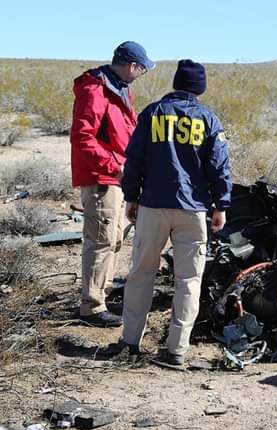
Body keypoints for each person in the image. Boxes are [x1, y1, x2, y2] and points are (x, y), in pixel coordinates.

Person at [120, 59, 232, 365]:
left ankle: (130, 342)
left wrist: (131, 197)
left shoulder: (153, 113)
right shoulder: (208, 119)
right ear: (199, 88)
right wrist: (221, 205)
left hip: (152, 206)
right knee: (189, 281)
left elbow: (134, 160)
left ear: (175, 83)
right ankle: (177, 350)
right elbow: (219, 167)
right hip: (192, 210)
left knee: (141, 273)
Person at [70, 41, 155, 327]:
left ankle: (101, 295)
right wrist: (115, 167)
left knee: (114, 239)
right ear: (132, 66)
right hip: (102, 178)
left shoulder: (117, 88)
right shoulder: (95, 89)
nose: (141, 73)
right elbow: (82, 137)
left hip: (115, 176)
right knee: (101, 240)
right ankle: (92, 307)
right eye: (142, 68)